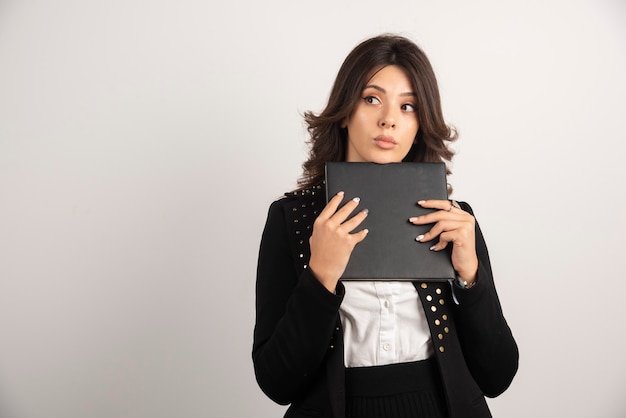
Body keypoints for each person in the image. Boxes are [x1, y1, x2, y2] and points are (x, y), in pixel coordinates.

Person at [252, 34, 518, 418]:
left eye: (408, 106)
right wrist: (321, 276)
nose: (389, 119)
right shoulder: (291, 219)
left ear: (420, 123)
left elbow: (498, 375)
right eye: (371, 98)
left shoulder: (453, 220)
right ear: (345, 111)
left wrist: (470, 277)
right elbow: (276, 382)